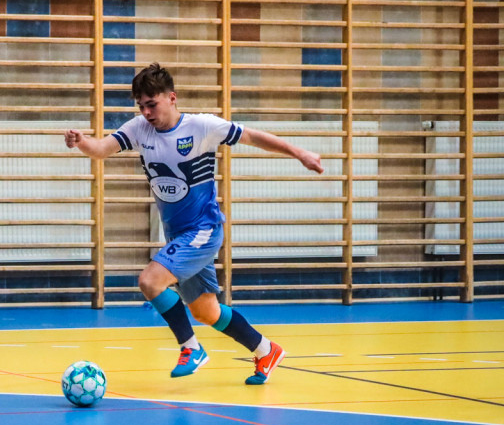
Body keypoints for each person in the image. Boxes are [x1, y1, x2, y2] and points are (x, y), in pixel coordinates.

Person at [65, 64, 324, 384]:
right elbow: (102, 149)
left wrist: (300, 153)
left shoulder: (202, 126)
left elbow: (254, 137)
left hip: (203, 229)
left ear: (171, 98)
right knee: (206, 312)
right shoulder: (138, 129)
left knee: (150, 281)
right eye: (141, 105)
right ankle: (265, 350)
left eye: (152, 104)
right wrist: (81, 141)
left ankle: (191, 348)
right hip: (178, 235)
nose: (146, 112)